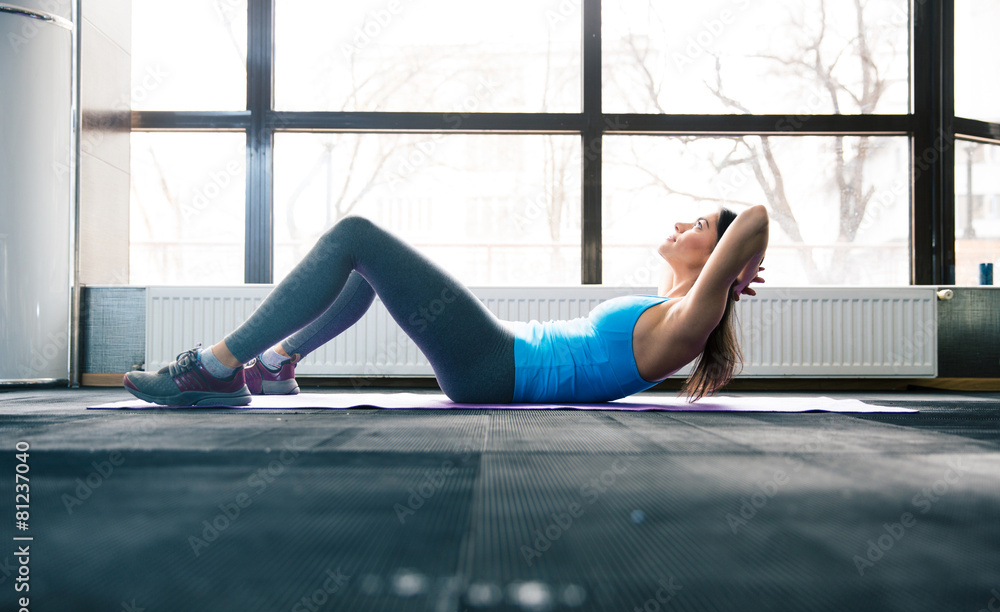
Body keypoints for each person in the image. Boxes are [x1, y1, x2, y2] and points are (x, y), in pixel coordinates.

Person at [123, 205, 768, 406]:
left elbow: (757, 217)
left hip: (496, 367)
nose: (683, 226)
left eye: (701, 225)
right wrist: (730, 265)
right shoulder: (671, 305)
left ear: (720, 262)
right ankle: (276, 363)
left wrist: (737, 268)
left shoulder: (689, 322)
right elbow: (742, 232)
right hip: (497, 354)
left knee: (355, 235)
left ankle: (215, 368)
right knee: (369, 267)